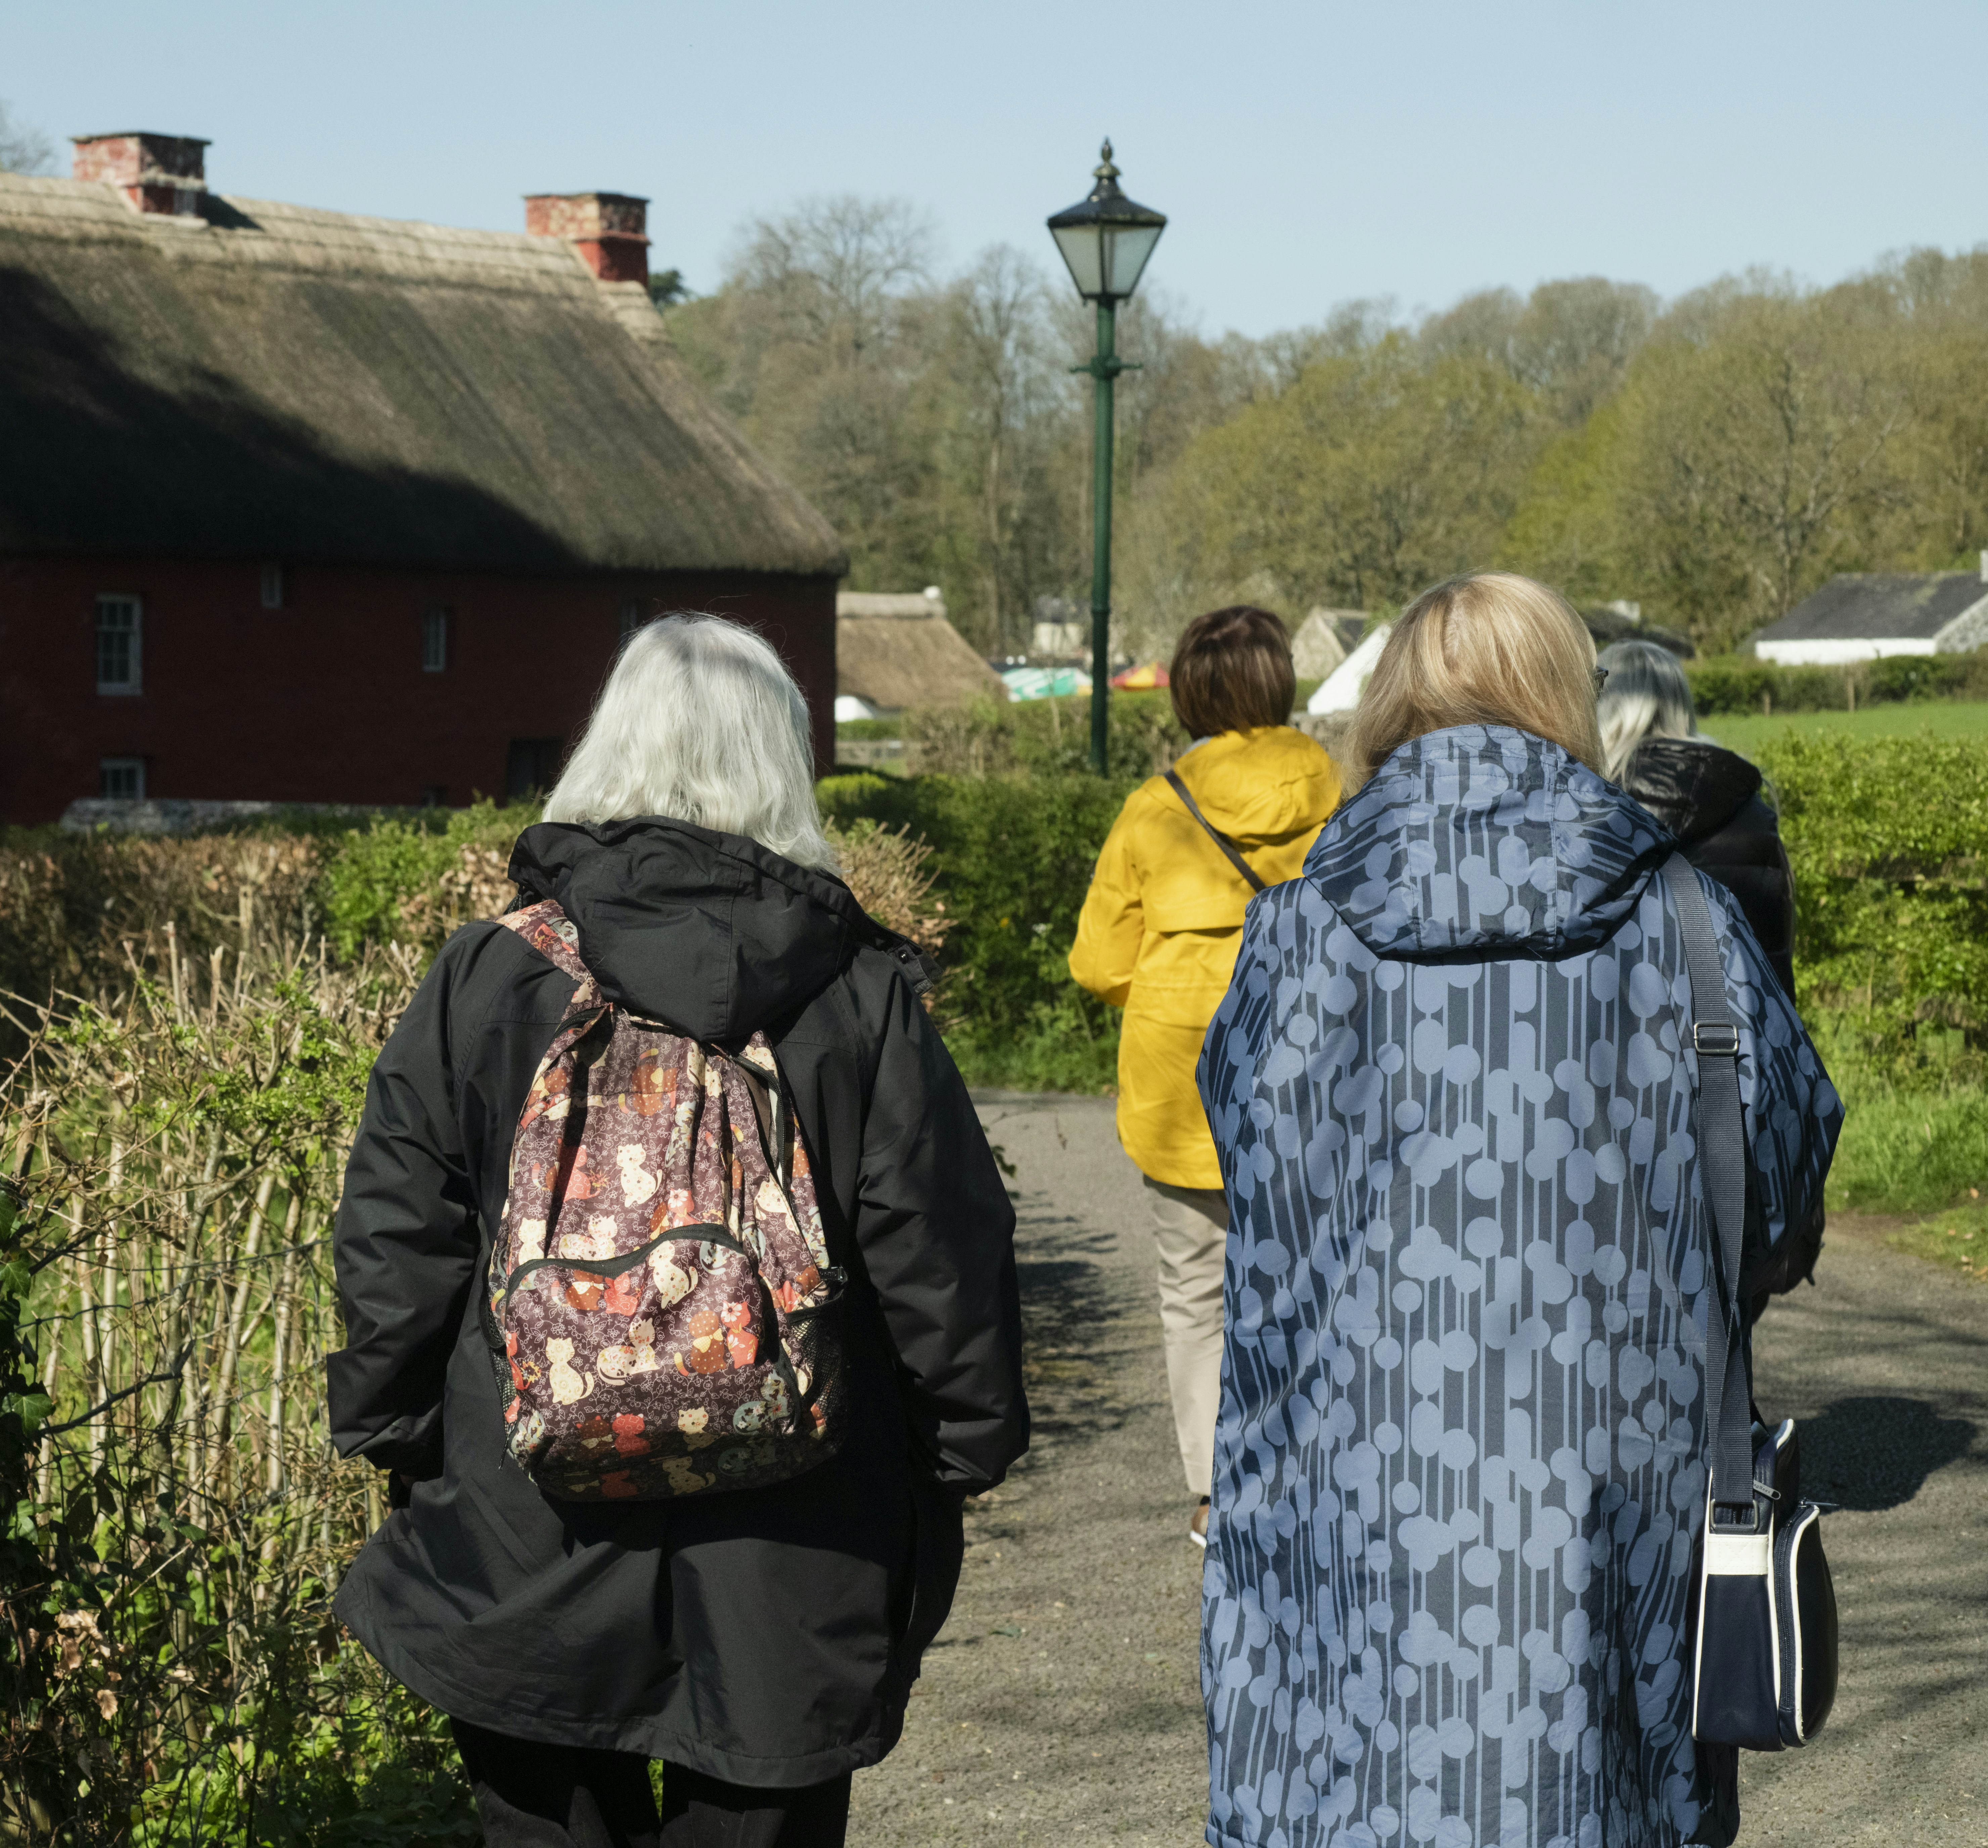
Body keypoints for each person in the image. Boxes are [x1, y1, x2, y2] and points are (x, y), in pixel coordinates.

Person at [326, 613, 1025, 1848]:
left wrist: (393, 1426)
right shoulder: (854, 991)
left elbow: (397, 1229)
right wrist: (963, 1443)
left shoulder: (488, 976)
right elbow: (939, 1247)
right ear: (779, 759)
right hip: (795, 1533)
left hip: (525, 1515)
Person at [1194, 571, 1843, 1848]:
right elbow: (1777, 1204)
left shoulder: (1293, 932)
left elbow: (1246, 1163)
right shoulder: (1688, 921)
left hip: (1342, 1490)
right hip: (1616, 1493)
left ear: (1389, 704)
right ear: (1564, 698)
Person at [1067, 605, 1340, 1545]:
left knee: (1195, 1294)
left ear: (1187, 693)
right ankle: (1318, 1474)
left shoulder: (1156, 808)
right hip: (1316, 1075)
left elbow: (1098, 964)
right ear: (1282, 681)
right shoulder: (1340, 790)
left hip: (1181, 1088)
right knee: (1314, 1281)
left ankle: (1218, 1493)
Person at [1597, 638, 1797, 994]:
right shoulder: (1748, 804)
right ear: (1682, 704)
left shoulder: (1592, 805)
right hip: (1740, 1019)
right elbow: (1775, 948)